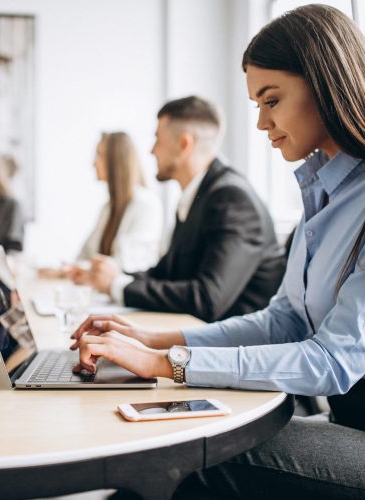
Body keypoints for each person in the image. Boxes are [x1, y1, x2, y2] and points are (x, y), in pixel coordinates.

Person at [71, 4, 365, 499]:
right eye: (257, 104)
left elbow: (331, 363)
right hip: (345, 424)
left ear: (324, 84)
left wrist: (166, 364)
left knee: (185, 453)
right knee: (169, 441)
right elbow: (284, 320)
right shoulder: (323, 194)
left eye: (271, 100)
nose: (261, 123)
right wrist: (154, 340)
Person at [87, 96, 285, 321]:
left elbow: (208, 299)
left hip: (238, 347)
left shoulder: (233, 200)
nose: (152, 151)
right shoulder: (198, 195)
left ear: (184, 144)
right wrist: (116, 276)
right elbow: (165, 274)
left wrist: (118, 286)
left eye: (157, 139)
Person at [42, 132, 163, 279]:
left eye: (99, 155)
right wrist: (63, 270)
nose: (93, 163)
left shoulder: (146, 205)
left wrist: (73, 269)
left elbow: (125, 265)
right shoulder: (108, 208)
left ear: (116, 161)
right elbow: (85, 254)